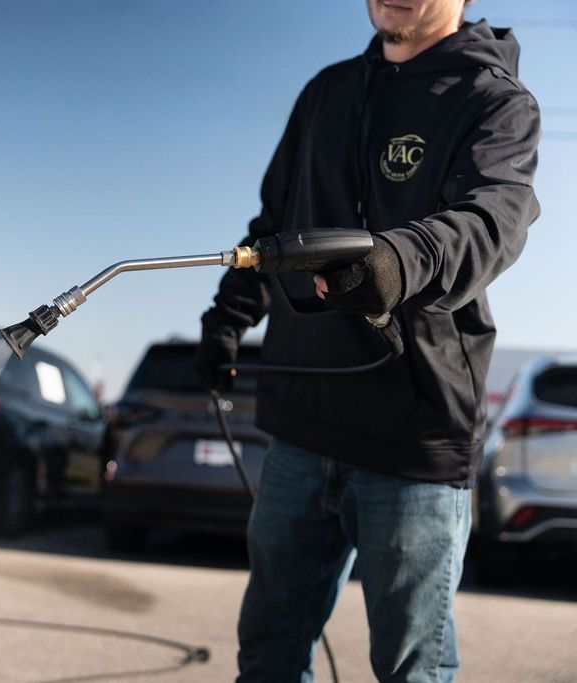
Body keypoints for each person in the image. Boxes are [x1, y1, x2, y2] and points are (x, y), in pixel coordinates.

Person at [194, 1, 540, 681]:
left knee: (412, 667)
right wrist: (228, 319)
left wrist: (396, 259)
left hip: (411, 434)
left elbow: (489, 221)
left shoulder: (495, 101)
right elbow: (273, 226)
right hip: (302, 419)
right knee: (267, 654)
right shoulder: (327, 92)